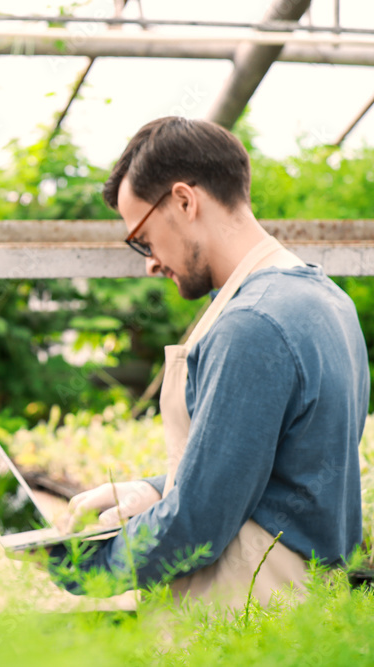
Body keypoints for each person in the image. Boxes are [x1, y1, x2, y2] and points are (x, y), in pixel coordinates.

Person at [50, 117, 369, 609]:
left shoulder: (252, 323)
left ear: (184, 200)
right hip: (307, 607)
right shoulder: (324, 298)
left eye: (143, 237)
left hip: (250, 616)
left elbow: (199, 519)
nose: (150, 262)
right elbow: (274, 471)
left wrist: (82, 566)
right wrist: (151, 489)